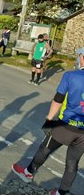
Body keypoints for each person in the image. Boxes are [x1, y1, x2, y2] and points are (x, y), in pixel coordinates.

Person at [12, 47, 84, 195]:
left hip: (65, 125)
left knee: (45, 148)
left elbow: (58, 99)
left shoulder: (71, 76)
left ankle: (28, 172)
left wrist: (49, 119)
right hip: (83, 132)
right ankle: (61, 193)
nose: (78, 58)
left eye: (80, 55)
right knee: (72, 164)